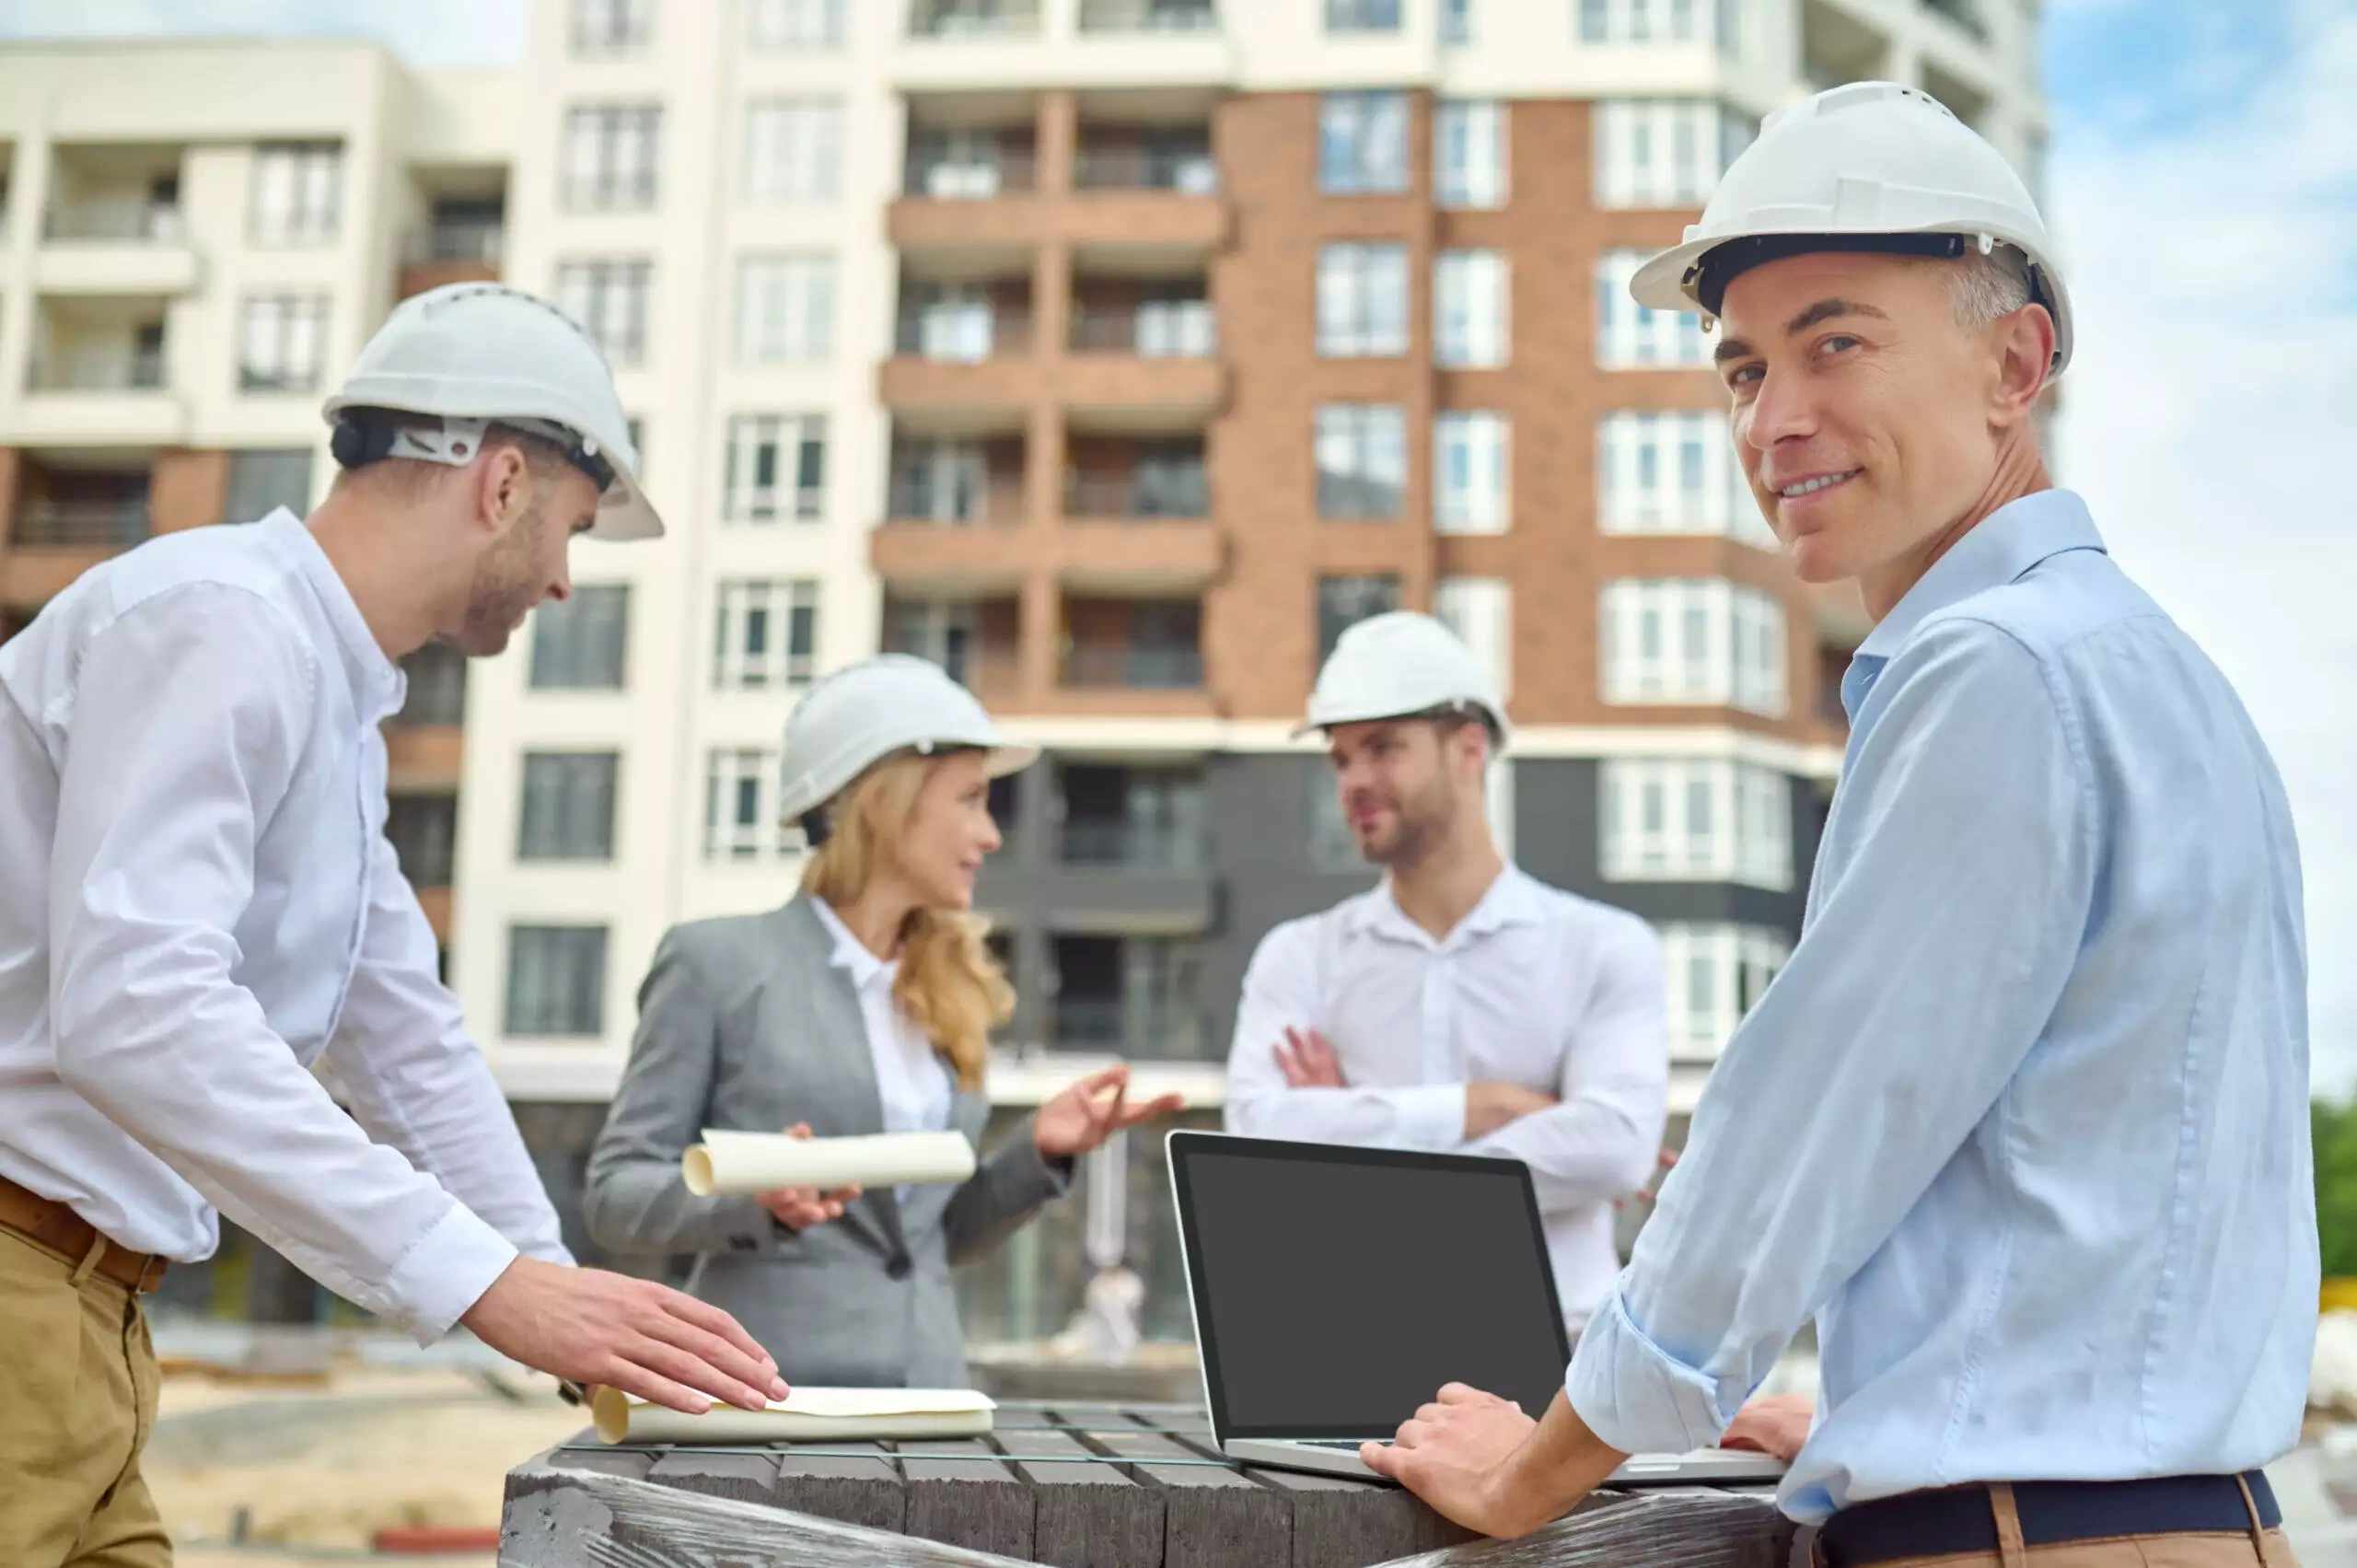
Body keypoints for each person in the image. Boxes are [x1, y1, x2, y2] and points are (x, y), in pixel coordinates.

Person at [1360, 82, 2315, 1568]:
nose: (1773, 417)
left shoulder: (1990, 670)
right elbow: (2122, 1168)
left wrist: (1536, 1462)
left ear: (2018, 361)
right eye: (1742, 367)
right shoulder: (2160, 678)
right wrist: (1902, 1403)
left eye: (1838, 343)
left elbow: (1791, 1138)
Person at [0, 284, 789, 1568]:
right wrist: (492, 1284)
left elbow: (403, 1038)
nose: (564, 580)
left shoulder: (328, 707)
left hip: (91, 1321)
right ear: (503, 479)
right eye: (572, 530)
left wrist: (559, 1299)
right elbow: (137, 1007)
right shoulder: (223, 620)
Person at [584, 655, 1184, 1387]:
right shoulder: (716, 962)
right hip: (771, 1395)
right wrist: (751, 1197)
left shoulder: (950, 986)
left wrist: (1038, 1154)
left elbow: (933, 1237)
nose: (990, 834)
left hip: (929, 1397)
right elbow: (617, 1195)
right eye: (969, 799)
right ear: (880, 801)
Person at [1224, 610, 1668, 1337]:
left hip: (1559, 1357)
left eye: (1383, 749)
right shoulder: (1298, 954)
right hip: (1352, 1340)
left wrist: (1354, 1158)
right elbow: (1252, 1143)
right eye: (1340, 759)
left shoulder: (1606, 946)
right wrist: (1487, 1106)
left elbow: (1615, 1149)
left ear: (1469, 749)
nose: (1354, 781)